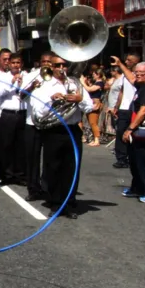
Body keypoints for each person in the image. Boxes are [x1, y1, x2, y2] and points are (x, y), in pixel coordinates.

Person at [32, 54, 94, 219]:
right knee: (53, 168)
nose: (61, 69)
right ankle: (56, 203)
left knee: (72, 168)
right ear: (51, 67)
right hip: (54, 131)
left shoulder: (75, 84)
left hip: (72, 130)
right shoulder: (45, 86)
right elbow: (39, 112)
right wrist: (53, 101)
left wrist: (79, 99)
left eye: (64, 65)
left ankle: (70, 203)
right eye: (58, 65)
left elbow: (89, 107)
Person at [22, 51, 54, 201]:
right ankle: (33, 189)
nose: (46, 64)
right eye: (44, 61)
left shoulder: (57, 78)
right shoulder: (31, 76)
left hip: (51, 124)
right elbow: (20, 95)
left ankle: (48, 188)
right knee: (31, 158)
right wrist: (31, 87)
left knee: (50, 159)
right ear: (39, 62)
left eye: (49, 62)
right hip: (32, 123)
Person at [0, 52, 27, 185]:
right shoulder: (4, 77)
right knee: (6, 145)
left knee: (21, 146)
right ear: (9, 64)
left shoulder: (27, 76)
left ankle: (20, 175)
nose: (15, 65)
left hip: (22, 113)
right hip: (7, 114)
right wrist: (11, 83)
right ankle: (7, 174)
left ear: (21, 64)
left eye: (18, 63)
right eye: (13, 63)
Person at [122, 62, 145, 203]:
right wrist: (120, 65)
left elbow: (144, 110)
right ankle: (137, 188)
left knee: (143, 162)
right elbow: (131, 79)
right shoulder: (142, 86)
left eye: (141, 73)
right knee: (135, 160)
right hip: (141, 132)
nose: (137, 75)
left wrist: (130, 129)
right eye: (136, 72)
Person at [112, 50, 142, 168]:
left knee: (133, 133)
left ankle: (132, 156)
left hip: (135, 108)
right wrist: (117, 105)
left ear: (136, 61)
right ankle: (121, 158)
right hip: (124, 108)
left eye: (129, 60)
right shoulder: (125, 74)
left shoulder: (138, 74)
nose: (126, 62)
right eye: (126, 60)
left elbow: (133, 81)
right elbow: (122, 90)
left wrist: (120, 64)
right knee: (120, 132)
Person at [81, 68, 104, 146]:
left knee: (93, 122)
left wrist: (82, 82)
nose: (93, 76)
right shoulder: (95, 83)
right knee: (91, 122)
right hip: (90, 103)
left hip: (95, 103)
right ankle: (94, 138)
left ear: (98, 75)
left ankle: (97, 140)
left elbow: (89, 89)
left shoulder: (100, 83)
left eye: (94, 74)